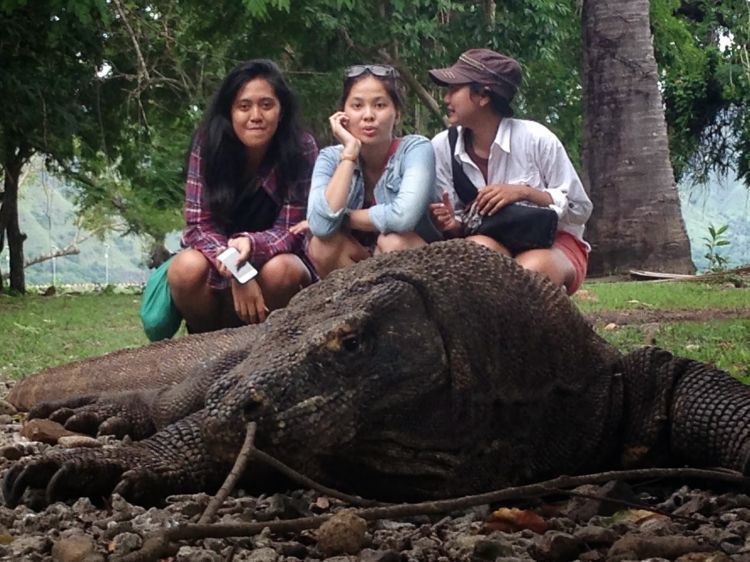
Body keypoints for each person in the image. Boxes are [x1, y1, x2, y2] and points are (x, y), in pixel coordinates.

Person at [168, 59, 318, 333]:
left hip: (274, 259)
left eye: (266, 105)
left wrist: (250, 245)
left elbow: (293, 228)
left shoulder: (302, 147)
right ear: (230, 111)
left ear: (281, 110)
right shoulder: (208, 144)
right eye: (244, 106)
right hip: (218, 260)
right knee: (184, 268)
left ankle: (269, 341)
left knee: (283, 269)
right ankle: (205, 342)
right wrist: (237, 268)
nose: (256, 116)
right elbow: (198, 225)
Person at [428, 49, 593, 294]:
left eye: (454, 90)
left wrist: (524, 193)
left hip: (554, 243)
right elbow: (461, 228)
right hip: (490, 243)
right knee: (473, 253)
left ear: (483, 96)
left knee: (527, 276)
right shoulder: (441, 146)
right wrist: (452, 224)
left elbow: (580, 210)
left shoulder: (536, 139)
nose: (446, 99)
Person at [307, 64, 441, 278]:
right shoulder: (330, 157)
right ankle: (356, 309)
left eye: (379, 105)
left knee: (393, 241)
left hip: (415, 263)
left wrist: (343, 218)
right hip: (356, 267)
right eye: (357, 106)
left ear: (397, 115)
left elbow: (402, 218)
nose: (368, 116)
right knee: (322, 245)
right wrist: (349, 154)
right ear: (342, 114)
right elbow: (321, 228)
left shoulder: (416, 149)